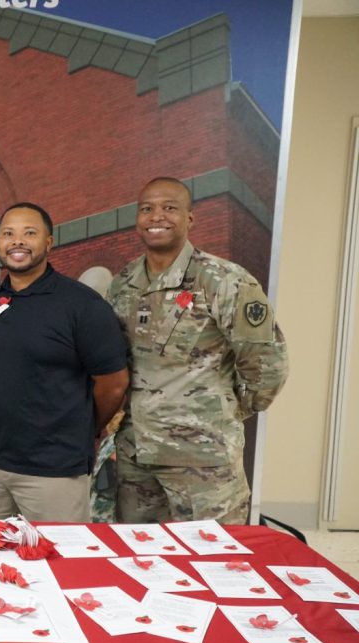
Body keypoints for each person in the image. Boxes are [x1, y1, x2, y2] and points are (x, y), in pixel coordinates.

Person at [108, 177, 289, 524]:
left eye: (170, 208)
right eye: (147, 209)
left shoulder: (224, 280)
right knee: (139, 559)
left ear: (190, 218)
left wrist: (222, 413)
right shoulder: (123, 283)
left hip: (203, 460)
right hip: (137, 456)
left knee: (214, 560)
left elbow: (268, 364)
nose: (156, 216)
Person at [0, 203, 128, 522]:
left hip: (54, 474)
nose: (17, 242)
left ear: (49, 242)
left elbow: (114, 383)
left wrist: (83, 428)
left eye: (30, 233)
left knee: (57, 568)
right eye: (8, 234)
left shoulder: (83, 306)